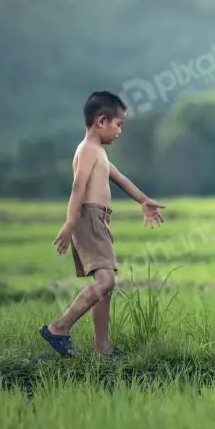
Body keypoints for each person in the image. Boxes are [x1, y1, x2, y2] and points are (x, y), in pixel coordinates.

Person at [39, 91, 165, 357]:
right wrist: (70, 222)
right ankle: (59, 328)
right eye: (118, 125)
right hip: (90, 218)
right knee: (105, 281)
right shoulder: (87, 150)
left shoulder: (98, 153)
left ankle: (102, 347)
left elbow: (119, 178)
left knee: (105, 286)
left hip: (99, 220)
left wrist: (143, 200)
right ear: (101, 121)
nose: (119, 131)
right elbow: (77, 187)